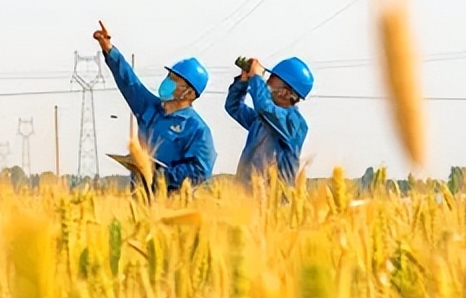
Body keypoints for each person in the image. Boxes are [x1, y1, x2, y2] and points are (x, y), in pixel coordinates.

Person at [93, 21, 217, 192]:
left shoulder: (197, 129)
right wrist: (108, 48)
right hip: (139, 197)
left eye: (174, 80)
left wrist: (161, 176)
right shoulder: (150, 108)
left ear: (189, 93)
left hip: (172, 201)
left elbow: (200, 170)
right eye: (169, 76)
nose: (167, 82)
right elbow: (129, 81)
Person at [225, 56, 314, 185]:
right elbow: (233, 107)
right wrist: (243, 82)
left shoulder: (294, 123)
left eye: (272, 79)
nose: (266, 83)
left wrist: (256, 77)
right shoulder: (261, 121)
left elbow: (264, 108)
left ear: (285, 92)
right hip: (245, 193)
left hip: (274, 196)